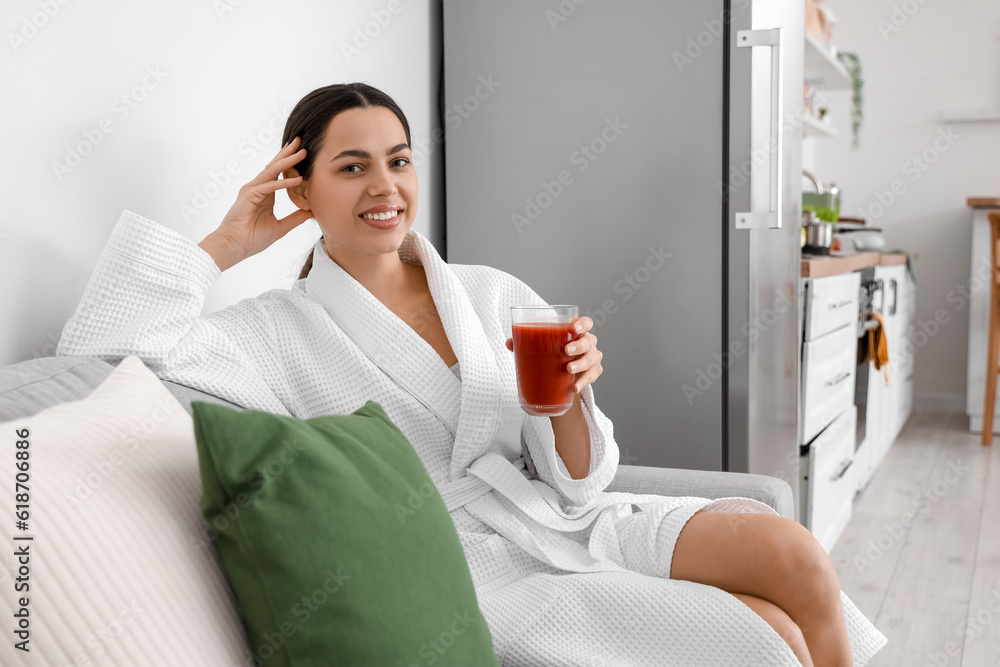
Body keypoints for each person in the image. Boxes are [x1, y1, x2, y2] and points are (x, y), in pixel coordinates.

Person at [57, 82, 886, 666]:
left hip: (571, 519)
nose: (386, 185)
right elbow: (101, 351)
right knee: (768, 631)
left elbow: (576, 480)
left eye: (399, 160)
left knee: (794, 553)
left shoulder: (490, 293)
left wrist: (573, 397)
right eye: (351, 167)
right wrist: (230, 243)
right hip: (476, 567)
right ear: (299, 189)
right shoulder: (273, 333)